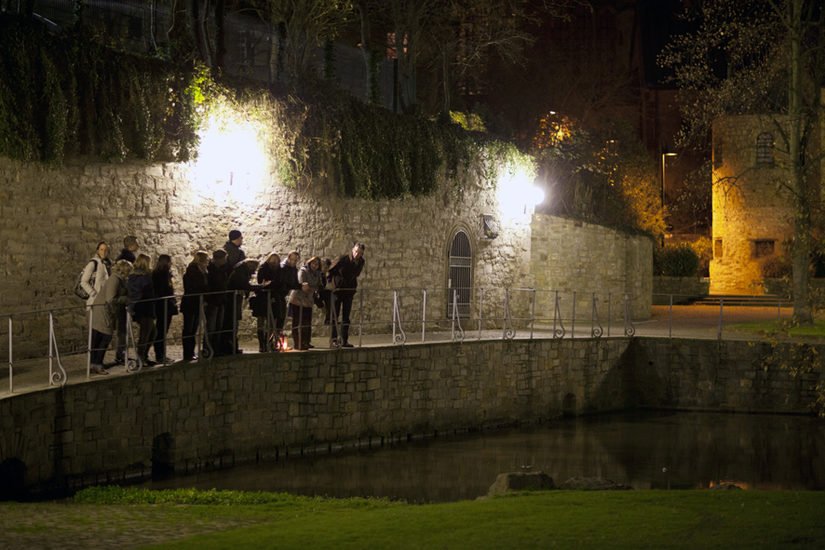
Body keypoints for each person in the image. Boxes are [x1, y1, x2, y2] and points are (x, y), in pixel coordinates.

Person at [89, 260, 132, 375]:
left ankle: (94, 364)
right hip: (104, 312)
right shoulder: (115, 280)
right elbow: (110, 299)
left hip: (104, 311)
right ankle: (97, 365)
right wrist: (125, 299)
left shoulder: (118, 279)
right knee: (104, 338)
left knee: (98, 338)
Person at [227, 259, 269, 354]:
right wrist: (260, 286)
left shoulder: (241, 270)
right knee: (233, 324)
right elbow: (245, 286)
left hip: (235, 299)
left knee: (234, 323)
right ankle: (232, 348)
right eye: (254, 268)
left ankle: (233, 347)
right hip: (233, 300)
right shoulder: (241, 272)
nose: (254, 271)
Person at [328, 242, 365, 347]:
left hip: (349, 291)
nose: (357, 254)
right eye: (356, 252)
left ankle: (344, 340)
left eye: (360, 253)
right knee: (335, 316)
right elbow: (329, 270)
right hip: (337, 291)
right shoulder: (342, 259)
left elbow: (356, 274)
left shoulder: (361, 262)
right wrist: (332, 284)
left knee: (346, 317)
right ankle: (333, 339)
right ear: (353, 250)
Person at [127, 253, 157, 367]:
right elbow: (145, 292)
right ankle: (141, 358)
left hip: (141, 307)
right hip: (144, 307)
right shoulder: (144, 278)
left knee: (152, 332)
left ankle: (144, 356)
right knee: (146, 334)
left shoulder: (133, 276)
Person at [287, 256, 323, 350]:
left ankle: (305, 342)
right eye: (313, 263)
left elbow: (319, 285)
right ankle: (297, 343)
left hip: (308, 300)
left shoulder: (318, 274)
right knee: (297, 322)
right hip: (298, 299)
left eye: (317, 264)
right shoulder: (303, 271)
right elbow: (302, 284)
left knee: (307, 322)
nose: (315, 265)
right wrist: (312, 288)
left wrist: (313, 288)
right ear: (309, 263)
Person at [181, 250, 209, 361]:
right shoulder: (193, 270)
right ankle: (187, 353)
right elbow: (195, 286)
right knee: (189, 329)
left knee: (193, 329)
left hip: (197, 302)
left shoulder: (201, 270)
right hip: (191, 302)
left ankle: (190, 352)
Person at [151, 254, 178, 364]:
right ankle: (160, 355)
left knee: (162, 330)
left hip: (164, 305)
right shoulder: (161, 274)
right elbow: (163, 290)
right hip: (163, 305)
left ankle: (161, 354)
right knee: (161, 331)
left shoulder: (161, 273)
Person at [252, 252, 281, 352]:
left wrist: (271, 283)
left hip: (273, 298)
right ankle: (262, 344)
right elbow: (262, 282)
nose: (274, 262)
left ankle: (269, 342)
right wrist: (270, 284)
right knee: (261, 322)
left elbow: (278, 282)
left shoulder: (278, 270)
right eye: (272, 260)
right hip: (262, 298)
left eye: (275, 260)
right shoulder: (263, 268)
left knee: (272, 322)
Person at [205, 249, 229, 356]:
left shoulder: (223, 269)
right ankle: (208, 348)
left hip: (221, 300)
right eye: (224, 259)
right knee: (211, 327)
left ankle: (216, 348)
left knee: (218, 326)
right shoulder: (210, 269)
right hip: (213, 301)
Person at [279, 251, 301, 349]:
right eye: (292, 259)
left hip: (282, 295)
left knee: (281, 319)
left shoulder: (293, 269)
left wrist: (300, 286)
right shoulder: (283, 268)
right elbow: (284, 282)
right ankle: (276, 343)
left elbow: (295, 283)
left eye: (295, 260)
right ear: (288, 258)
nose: (293, 262)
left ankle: (279, 343)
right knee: (278, 319)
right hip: (278, 295)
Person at [80, 241, 112, 310]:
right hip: (94, 301)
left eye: (106, 250)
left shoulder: (109, 264)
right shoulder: (93, 263)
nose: (103, 252)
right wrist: (94, 294)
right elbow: (83, 281)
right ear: (97, 251)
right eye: (101, 250)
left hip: (105, 300)